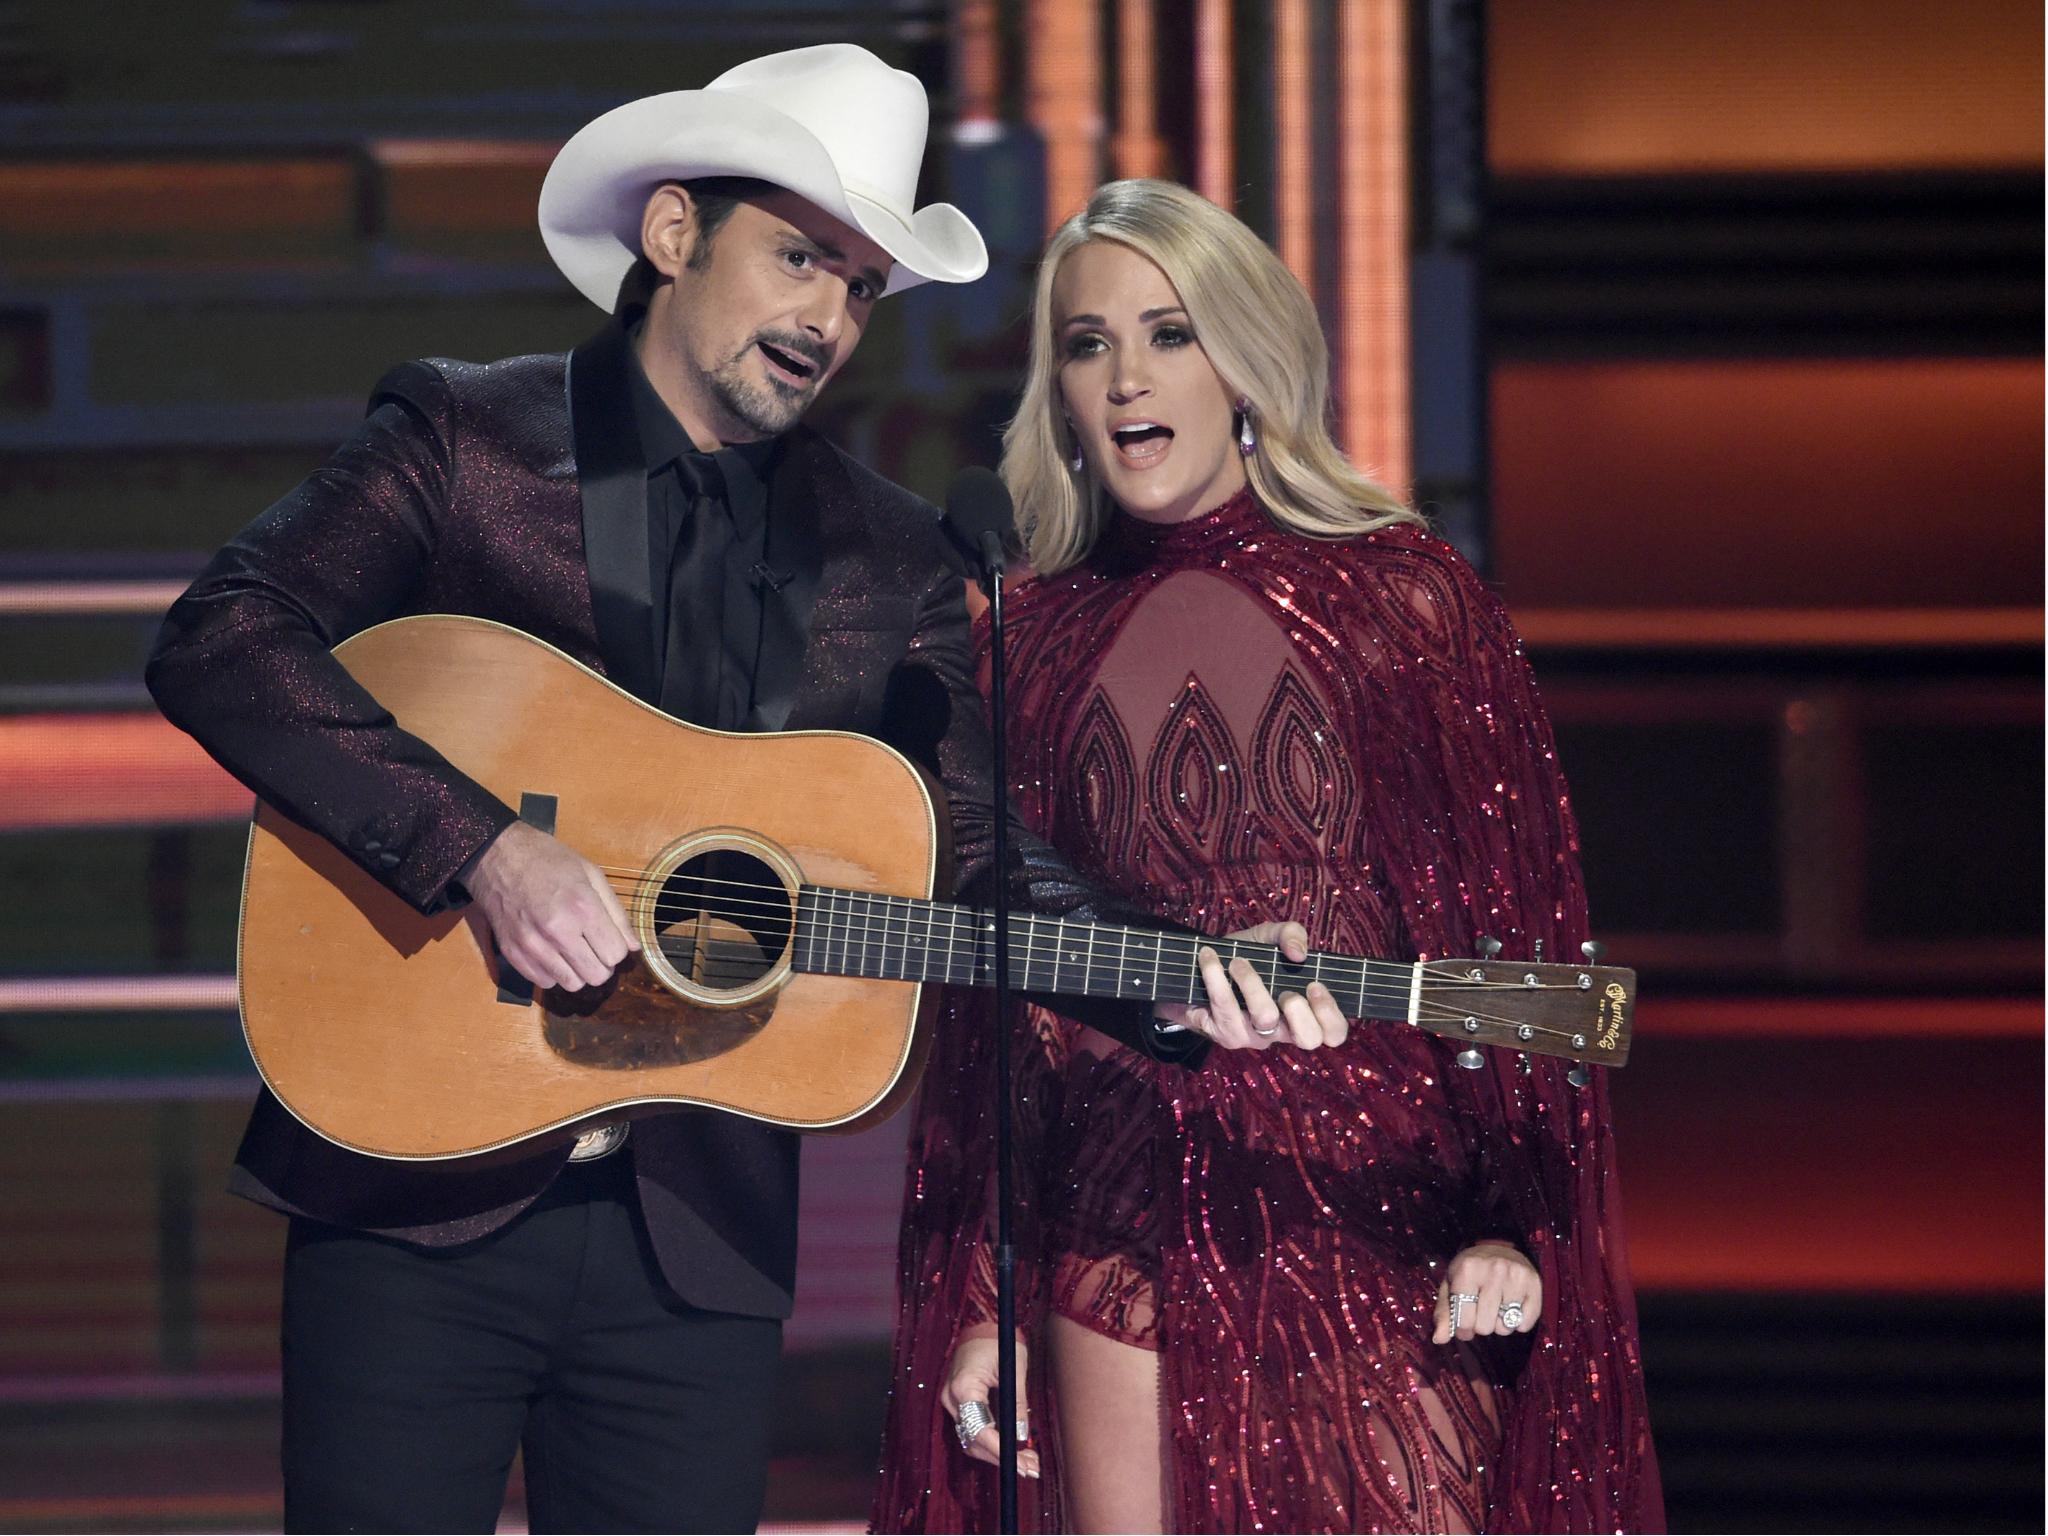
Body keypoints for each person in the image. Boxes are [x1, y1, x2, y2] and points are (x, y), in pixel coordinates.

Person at [146, 55, 1317, 1534]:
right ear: (674, 237)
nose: (829, 318)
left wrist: (1174, 971)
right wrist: (481, 847)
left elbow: (962, 842)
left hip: (692, 1240)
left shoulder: (888, 555)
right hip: (414, 1197)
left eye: (861, 287)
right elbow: (225, 636)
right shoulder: (467, 439)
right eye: (799, 258)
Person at [871, 178, 1664, 1534]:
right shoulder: (1027, 641)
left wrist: (1512, 1219)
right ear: (1055, 390)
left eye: (1169, 332)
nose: (1126, 376)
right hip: (1114, 1234)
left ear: (1247, 355)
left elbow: (1511, 935)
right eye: (1086, 342)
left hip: (1380, 1223)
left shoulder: (1405, 601)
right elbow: (1006, 1012)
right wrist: (990, 1298)